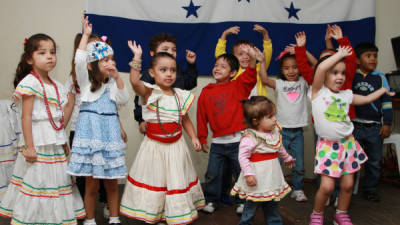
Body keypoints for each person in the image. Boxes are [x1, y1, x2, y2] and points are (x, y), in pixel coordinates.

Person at [0, 33, 85, 224]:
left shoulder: (56, 86)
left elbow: (57, 119)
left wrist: (62, 141)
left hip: (53, 144)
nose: (50, 56)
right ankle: (33, 218)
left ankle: (52, 218)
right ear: (30, 59)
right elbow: (27, 116)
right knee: (37, 182)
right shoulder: (30, 83)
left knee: (54, 183)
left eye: (53, 52)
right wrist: (29, 146)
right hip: (37, 144)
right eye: (42, 52)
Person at [120, 41, 204, 225]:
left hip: (176, 147)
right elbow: (134, 82)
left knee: (174, 181)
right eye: (163, 70)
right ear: (152, 73)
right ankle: (155, 214)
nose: (169, 74)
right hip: (154, 148)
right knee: (156, 181)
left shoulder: (180, 95)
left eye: (172, 70)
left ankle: (172, 214)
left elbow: (185, 119)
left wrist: (194, 137)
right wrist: (137, 58)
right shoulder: (150, 92)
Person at [308, 46, 394, 225]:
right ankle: (317, 214)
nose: (340, 77)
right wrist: (339, 55)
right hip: (328, 147)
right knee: (327, 186)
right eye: (334, 73)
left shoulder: (346, 95)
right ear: (323, 75)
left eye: (343, 73)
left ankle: (341, 214)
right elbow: (322, 68)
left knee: (347, 185)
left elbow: (365, 99)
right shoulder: (317, 92)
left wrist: (382, 91)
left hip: (348, 145)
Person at [67, 17, 129, 225]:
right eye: (105, 60)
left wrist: (119, 78)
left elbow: (124, 99)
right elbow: (79, 60)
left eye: (111, 59)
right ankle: (90, 219)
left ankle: (114, 218)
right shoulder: (85, 85)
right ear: (93, 65)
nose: (109, 63)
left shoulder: (112, 84)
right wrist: (85, 36)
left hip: (109, 136)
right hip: (91, 135)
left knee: (112, 183)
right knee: (91, 184)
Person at [197, 45, 266, 214]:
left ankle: (242, 201)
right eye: (216, 65)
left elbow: (250, 74)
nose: (217, 68)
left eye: (223, 66)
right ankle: (212, 200)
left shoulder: (238, 86)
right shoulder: (206, 91)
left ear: (233, 73)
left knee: (241, 172)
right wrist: (202, 138)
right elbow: (201, 116)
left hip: (238, 142)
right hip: (218, 144)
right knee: (213, 174)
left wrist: (251, 57)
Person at [231, 96, 295, 225]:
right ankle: (245, 222)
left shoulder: (273, 133)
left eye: (274, 115)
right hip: (257, 176)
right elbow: (243, 157)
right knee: (252, 204)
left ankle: (275, 222)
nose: (275, 119)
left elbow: (278, 147)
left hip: (271, 176)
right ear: (256, 121)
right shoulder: (250, 138)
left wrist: (287, 157)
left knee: (271, 201)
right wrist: (249, 174)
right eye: (270, 117)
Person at [262, 50, 309, 202]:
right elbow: (264, 79)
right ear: (281, 70)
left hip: (298, 132)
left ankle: (298, 189)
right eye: (287, 68)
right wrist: (262, 61)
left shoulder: (303, 82)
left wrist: (302, 51)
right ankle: (274, 188)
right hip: (281, 132)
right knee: (276, 162)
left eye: (295, 67)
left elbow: (316, 67)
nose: (291, 71)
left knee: (299, 163)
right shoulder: (280, 84)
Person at [352, 42, 393, 202]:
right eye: (368, 56)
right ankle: (350, 188)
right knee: (352, 160)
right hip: (354, 126)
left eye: (375, 56)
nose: (373, 59)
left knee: (374, 161)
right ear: (357, 60)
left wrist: (387, 123)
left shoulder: (380, 77)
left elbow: (387, 102)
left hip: (374, 127)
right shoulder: (351, 75)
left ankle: (370, 189)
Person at [133, 33, 198, 134]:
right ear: (152, 53)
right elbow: (139, 98)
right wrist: (141, 120)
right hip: (155, 127)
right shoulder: (149, 74)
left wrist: (191, 64)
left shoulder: (177, 71)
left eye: (174, 49)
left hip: (174, 127)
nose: (171, 52)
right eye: (165, 49)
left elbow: (190, 83)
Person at [215, 24, 272, 97]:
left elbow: (267, 53)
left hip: (258, 106)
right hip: (239, 106)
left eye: (248, 53)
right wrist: (224, 34)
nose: (245, 57)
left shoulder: (260, 67)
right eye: (240, 54)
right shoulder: (233, 71)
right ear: (234, 57)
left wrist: (265, 34)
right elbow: (220, 56)